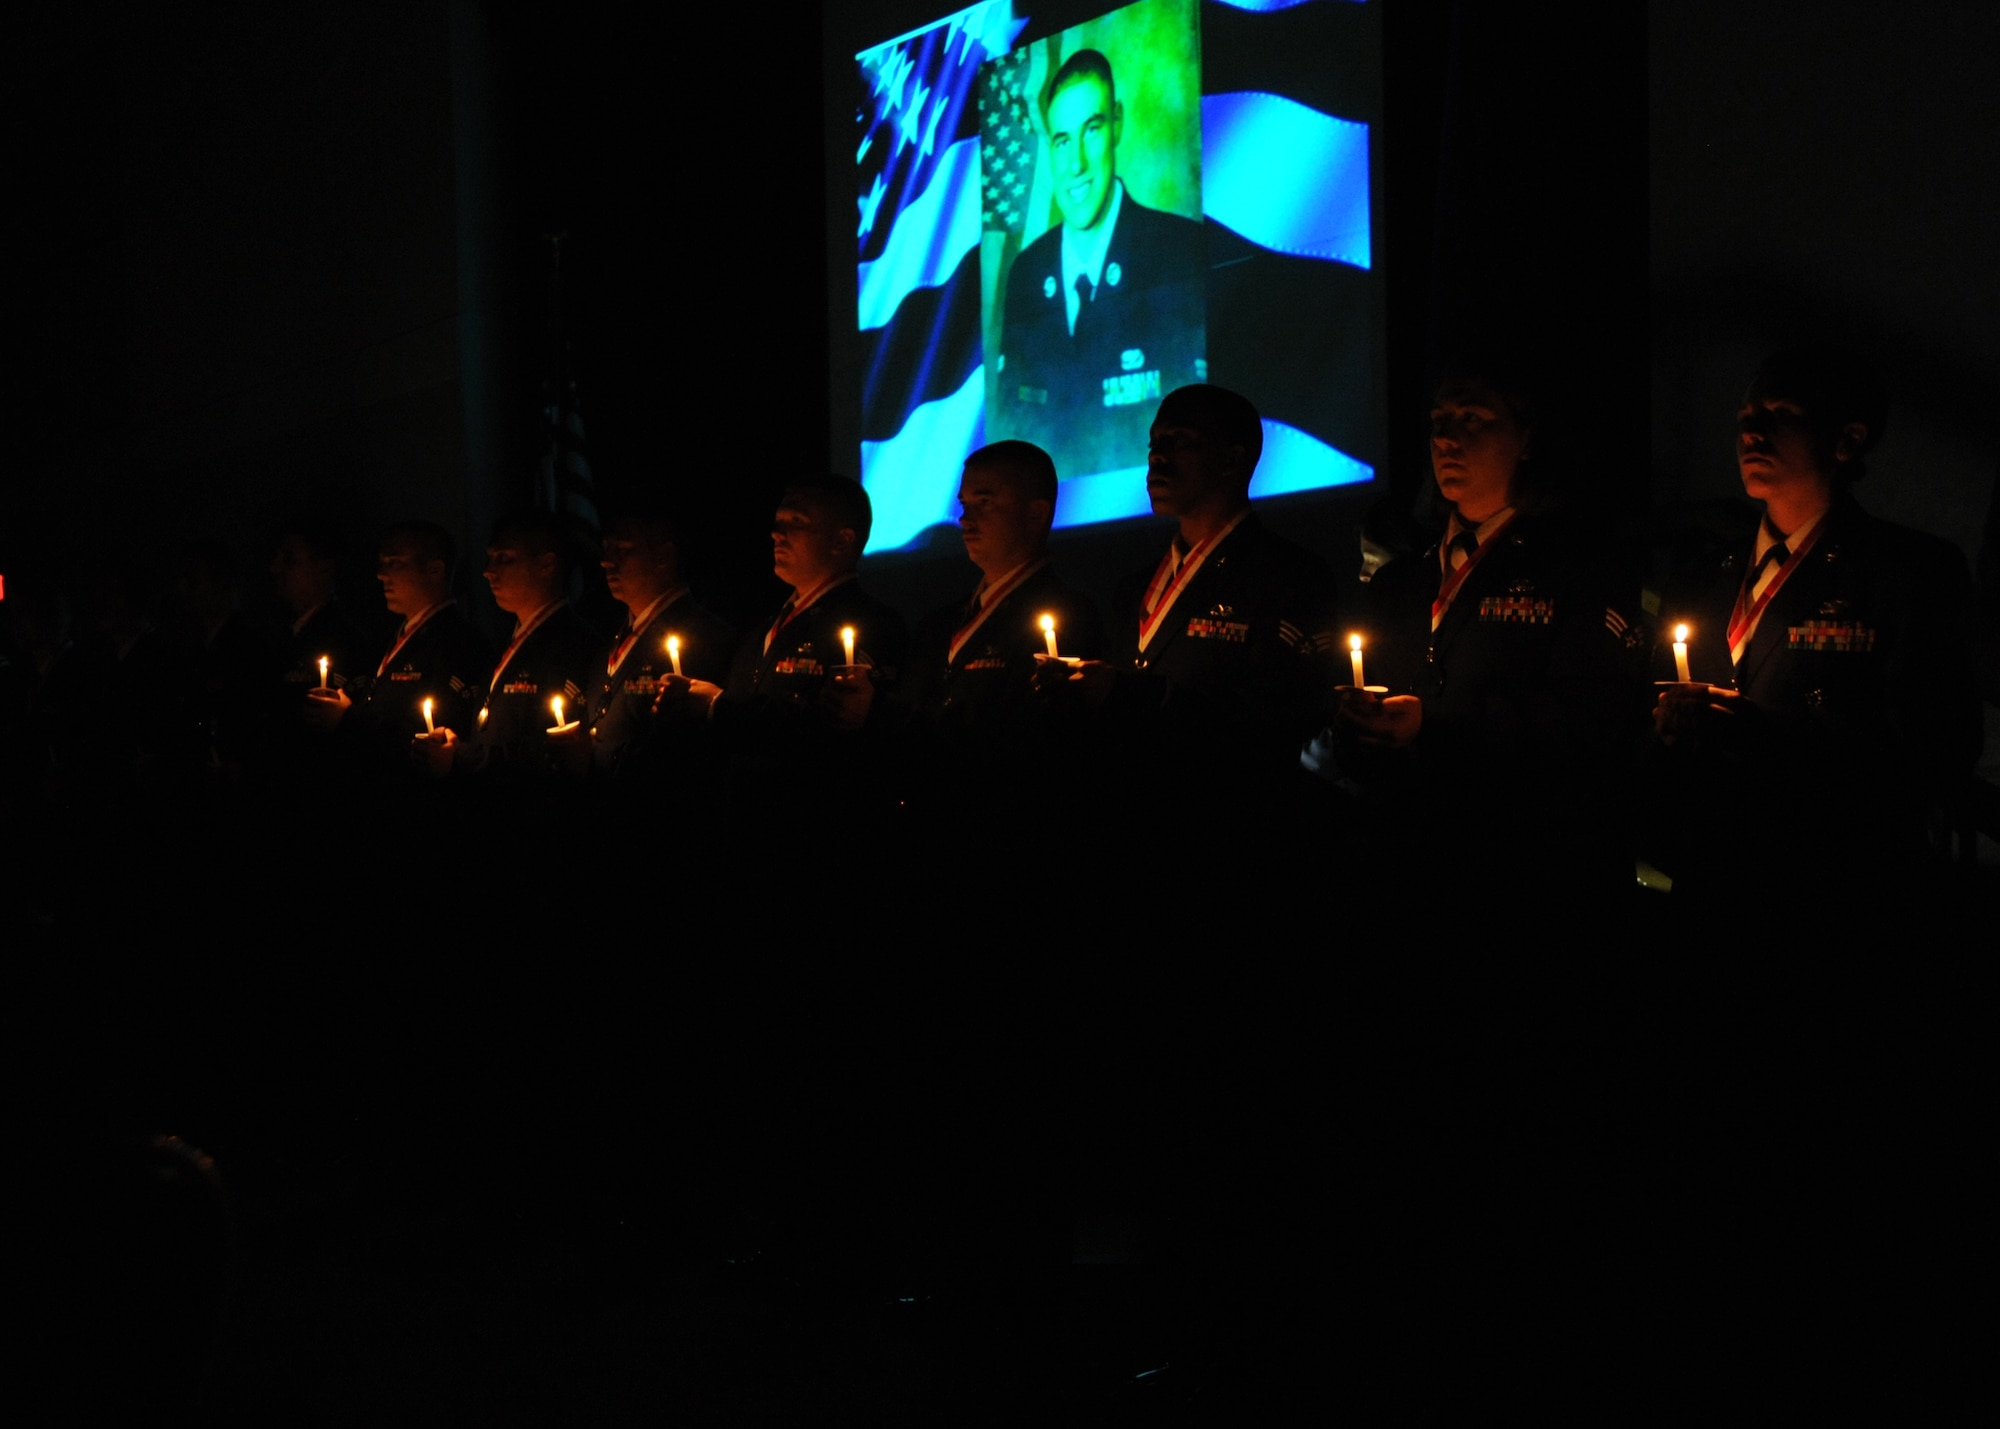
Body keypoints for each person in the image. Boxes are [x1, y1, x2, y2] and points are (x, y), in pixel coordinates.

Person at [1646, 348, 1982, 889]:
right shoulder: (1704, 572)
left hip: (1837, 876)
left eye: (1780, 415)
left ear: (1847, 439)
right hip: (1709, 865)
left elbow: (1940, 745)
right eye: (1745, 419)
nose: (1752, 433)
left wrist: (1767, 737)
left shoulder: (1909, 570)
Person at [1335, 360, 1646, 891]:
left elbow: (1598, 724)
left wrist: (1434, 725)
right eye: (1439, 421)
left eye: (1473, 419)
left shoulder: (1579, 567)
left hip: (1532, 863)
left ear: (1527, 439)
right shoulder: (1400, 581)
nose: (1446, 439)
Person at [1066, 384, 1337, 803]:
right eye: (1155, 441)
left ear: (1232, 458)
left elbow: (1283, 721)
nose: (1157, 455)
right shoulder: (1135, 587)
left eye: (1180, 442)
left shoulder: (1291, 576)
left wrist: (1134, 696)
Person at [996, 48, 1206, 483]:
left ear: (1117, 125)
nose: (1076, 165)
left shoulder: (1178, 250)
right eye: (1061, 140)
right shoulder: (1026, 275)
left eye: (1091, 130)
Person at [893, 441, 1103, 818]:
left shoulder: (1071, 617)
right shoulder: (937, 626)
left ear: (1036, 514)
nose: (965, 519)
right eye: (964, 504)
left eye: (984, 502)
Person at [704, 475, 909, 800]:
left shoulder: (872, 625)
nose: (776, 533)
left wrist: (716, 706)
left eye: (796, 522)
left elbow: (829, 731)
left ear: (841, 540)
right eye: (778, 521)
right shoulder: (765, 629)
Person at [421, 510, 600, 779]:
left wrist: (463, 757)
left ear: (547, 565)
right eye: (490, 558)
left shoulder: (575, 645)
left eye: (504, 559)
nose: (488, 572)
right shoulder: (511, 640)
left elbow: (558, 751)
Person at [306, 521, 492, 772]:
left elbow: (439, 729)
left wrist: (348, 718)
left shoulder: (458, 643)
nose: (381, 575)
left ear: (435, 570)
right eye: (382, 564)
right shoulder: (399, 635)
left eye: (395, 563)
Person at [580, 511, 733, 778]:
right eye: (606, 549)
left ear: (664, 557)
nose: (606, 562)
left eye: (624, 551)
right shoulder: (612, 641)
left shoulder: (704, 638)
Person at [269, 521, 372, 704]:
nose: (276, 569)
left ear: (324, 568)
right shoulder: (278, 632)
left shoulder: (344, 641)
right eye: (276, 559)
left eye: (290, 561)